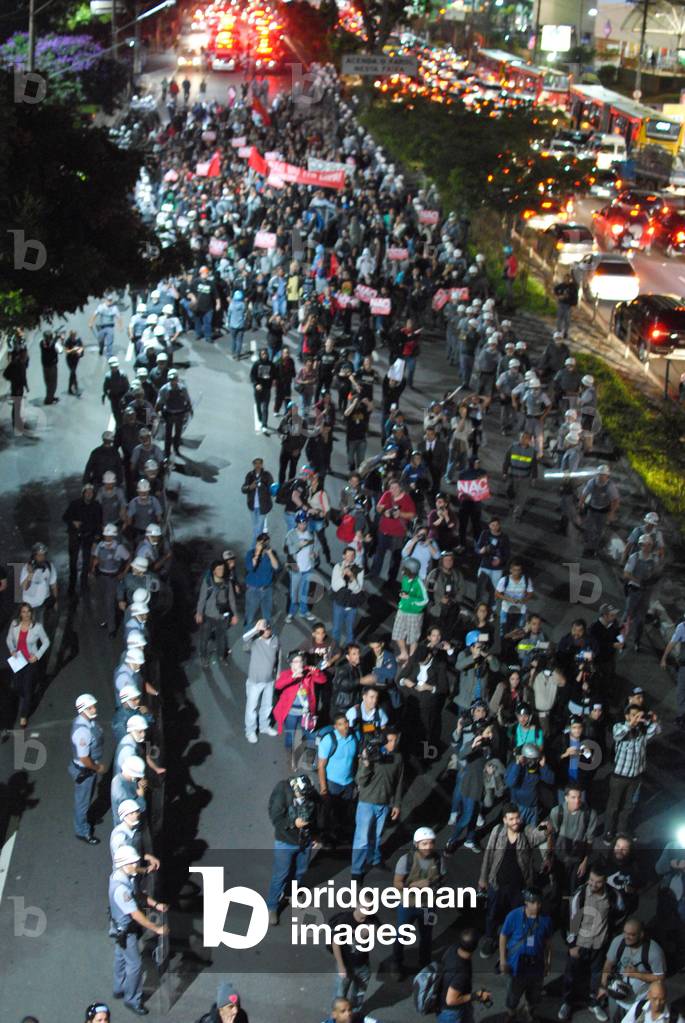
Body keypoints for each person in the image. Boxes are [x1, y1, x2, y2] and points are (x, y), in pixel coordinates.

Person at [478, 803, 549, 957]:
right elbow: (488, 855)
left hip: (519, 887)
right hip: (497, 884)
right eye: (511, 819)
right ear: (505, 820)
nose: (515, 822)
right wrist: (483, 878)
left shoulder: (527, 832)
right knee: (492, 913)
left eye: (517, 818)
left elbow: (540, 835)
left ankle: (513, 942)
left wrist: (546, 828)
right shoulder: (497, 832)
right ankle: (490, 939)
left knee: (516, 915)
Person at [108, 845, 168, 1015]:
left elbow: (138, 894)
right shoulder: (121, 890)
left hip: (119, 927)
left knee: (120, 956)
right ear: (124, 864)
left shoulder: (122, 877)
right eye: (133, 862)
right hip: (126, 931)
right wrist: (156, 929)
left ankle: (119, 987)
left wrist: (155, 904)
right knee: (134, 965)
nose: (136, 864)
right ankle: (132, 999)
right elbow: (136, 914)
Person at [560, 864, 623, 1022]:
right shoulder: (580, 895)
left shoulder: (613, 895)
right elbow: (572, 921)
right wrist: (572, 945)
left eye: (598, 882)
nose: (594, 884)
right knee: (571, 976)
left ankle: (594, 1003)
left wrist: (611, 933)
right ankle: (567, 1002)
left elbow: (622, 912)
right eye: (591, 880)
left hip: (600, 946)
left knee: (597, 977)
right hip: (580, 944)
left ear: (605, 881)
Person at [266, 773, 322, 925]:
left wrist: (316, 835)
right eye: (301, 795)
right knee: (281, 875)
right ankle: (272, 906)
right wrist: (293, 822)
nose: (304, 798)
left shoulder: (310, 793)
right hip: (285, 842)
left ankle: (291, 893)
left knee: (300, 871)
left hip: (305, 841)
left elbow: (317, 814)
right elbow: (275, 817)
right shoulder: (282, 790)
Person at [351, 727, 403, 881]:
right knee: (362, 839)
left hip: (385, 803)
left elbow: (399, 781)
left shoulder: (398, 758)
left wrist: (397, 804)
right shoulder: (372, 755)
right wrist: (366, 764)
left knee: (377, 836)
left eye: (394, 740)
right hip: (367, 802)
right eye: (389, 740)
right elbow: (360, 780)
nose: (392, 744)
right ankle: (356, 871)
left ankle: (374, 859)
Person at [603, 705, 660, 846]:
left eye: (639, 715)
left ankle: (621, 831)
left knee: (628, 807)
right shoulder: (620, 727)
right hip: (619, 777)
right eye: (634, 715)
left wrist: (653, 721)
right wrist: (631, 724)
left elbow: (656, 731)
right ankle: (608, 833)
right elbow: (617, 735)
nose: (637, 718)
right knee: (613, 806)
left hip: (635, 777)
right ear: (627, 716)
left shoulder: (642, 731)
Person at [499, 888, 553, 1023]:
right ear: (526, 903)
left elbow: (548, 943)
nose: (537, 906)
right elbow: (503, 935)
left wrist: (547, 963)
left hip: (537, 965)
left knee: (534, 995)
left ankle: (529, 1011)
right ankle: (511, 1013)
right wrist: (503, 959)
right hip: (516, 966)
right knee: (513, 996)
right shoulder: (514, 915)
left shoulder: (546, 919)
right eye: (534, 903)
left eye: (539, 903)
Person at [600, 918, 665, 1020]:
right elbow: (608, 965)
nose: (626, 937)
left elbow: (660, 977)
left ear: (641, 935)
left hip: (639, 1000)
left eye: (631, 934)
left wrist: (637, 974)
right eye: (625, 933)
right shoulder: (618, 942)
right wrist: (603, 985)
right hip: (617, 996)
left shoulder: (654, 951)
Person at [273, 653, 326, 762]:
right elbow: (278, 685)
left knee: (310, 734)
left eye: (301, 661)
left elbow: (322, 680)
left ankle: (310, 755)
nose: (299, 664)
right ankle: (290, 754)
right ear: (291, 664)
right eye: (296, 662)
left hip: (305, 713)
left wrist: (316, 672)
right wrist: (292, 677)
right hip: (291, 713)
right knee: (290, 735)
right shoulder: (286, 674)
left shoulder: (308, 672)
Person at [68, 693, 105, 844]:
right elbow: (84, 758)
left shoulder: (87, 722)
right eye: (90, 707)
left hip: (88, 768)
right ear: (83, 709)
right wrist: (97, 768)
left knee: (86, 798)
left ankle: (85, 821)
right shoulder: (82, 732)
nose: (94, 708)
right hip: (86, 769)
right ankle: (82, 831)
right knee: (82, 803)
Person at [6, 602, 50, 728]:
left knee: (27, 688)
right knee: (17, 686)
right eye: (23, 612)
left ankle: (23, 715)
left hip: (30, 661)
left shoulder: (37, 627)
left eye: (28, 611)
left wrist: (37, 655)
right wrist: (12, 649)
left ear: (32, 612)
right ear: (20, 613)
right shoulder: (15, 624)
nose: (26, 614)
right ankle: (26, 698)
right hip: (18, 660)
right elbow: (9, 639)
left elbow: (46, 641)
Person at [438, 928, 492, 1023]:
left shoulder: (453, 949)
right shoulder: (462, 973)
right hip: (452, 1013)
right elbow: (450, 1000)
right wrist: (477, 995)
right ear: (475, 947)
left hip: (448, 1001)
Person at [370, 479, 416, 581]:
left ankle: (391, 580)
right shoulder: (387, 494)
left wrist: (401, 514)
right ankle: (374, 573)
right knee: (379, 553)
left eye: (395, 488)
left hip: (398, 534)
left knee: (395, 558)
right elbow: (378, 507)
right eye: (391, 488)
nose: (393, 490)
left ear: (400, 488)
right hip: (383, 531)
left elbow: (412, 514)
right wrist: (384, 511)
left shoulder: (407, 498)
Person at [243, 618, 280, 743]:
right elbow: (245, 638)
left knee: (267, 706)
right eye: (264, 629)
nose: (266, 631)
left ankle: (264, 727)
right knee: (252, 708)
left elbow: (277, 657)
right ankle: (250, 731)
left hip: (269, 680)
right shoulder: (254, 642)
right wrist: (255, 629)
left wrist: (278, 674)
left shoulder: (275, 639)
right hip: (255, 682)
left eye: (268, 628)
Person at [196, 559, 237, 667]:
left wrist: (235, 615)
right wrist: (199, 613)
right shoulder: (208, 583)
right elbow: (202, 599)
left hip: (223, 616)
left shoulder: (227, 583)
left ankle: (221, 656)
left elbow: (231, 599)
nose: (221, 571)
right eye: (218, 569)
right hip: (208, 616)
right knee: (205, 638)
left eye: (222, 569)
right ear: (213, 571)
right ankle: (203, 656)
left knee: (221, 638)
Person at [63, 483, 103, 594]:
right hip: (75, 536)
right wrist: (73, 522)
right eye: (87, 492)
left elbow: (99, 523)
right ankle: (72, 586)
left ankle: (84, 585)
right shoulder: (75, 504)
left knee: (86, 562)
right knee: (73, 561)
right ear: (83, 493)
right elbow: (65, 517)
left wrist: (96, 539)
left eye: (91, 492)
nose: (89, 494)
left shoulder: (96, 506)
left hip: (88, 536)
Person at [579, 466, 620, 559]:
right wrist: (580, 505)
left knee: (599, 531)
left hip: (603, 511)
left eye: (603, 475)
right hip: (592, 508)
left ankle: (594, 549)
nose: (600, 477)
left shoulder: (610, 487)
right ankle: (588, 547)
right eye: (599, 475)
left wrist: (611, 513)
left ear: (607, 476)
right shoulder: (592, 483)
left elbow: (615, 500)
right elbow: (584, 494)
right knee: (588, 528)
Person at [331, 547, 365, 646]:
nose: (350, 557)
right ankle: (335, 648)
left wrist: (352, 578)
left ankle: (350, 649)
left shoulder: (359, 569)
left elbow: (358, 589)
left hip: (352, 604)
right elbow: (335, 587)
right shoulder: (337, 567)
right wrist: (342, 575)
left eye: (352, 555)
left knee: (350, 629)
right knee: (336, 628)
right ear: (343, 555)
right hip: (339, 603)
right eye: (348, 555)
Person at [244, 532, 279, 626]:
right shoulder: (250, 553)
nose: (264, 545)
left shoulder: (271, 553)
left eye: (266, 543)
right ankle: (247, 635)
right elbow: (250, 567)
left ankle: (266, 635)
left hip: (267, 589)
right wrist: (257, 553)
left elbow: (276, 567)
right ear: (257, 542)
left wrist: (270, 553)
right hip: (253, 590)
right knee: (250, 615)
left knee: (267, 615)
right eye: (262, 543)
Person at [156, 369, 192, 458]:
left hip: (180, 414)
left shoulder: (182, 388)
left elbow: (187, 401)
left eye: (174, 379)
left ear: (177, 378)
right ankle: (167, 452)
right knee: (168, 435)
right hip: (169, 414)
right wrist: (158, 413)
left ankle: (176, 449)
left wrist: (188, 411)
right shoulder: (164, 389)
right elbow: (159, 403)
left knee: (178, 434)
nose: (173, 381)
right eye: (171, 379)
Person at [19, 543, 58, 625]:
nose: (42, 557)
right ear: (34, 556)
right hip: (30, 605)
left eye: (43, 555)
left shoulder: (49, 566)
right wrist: (30, 574)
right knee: (30, 628)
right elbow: (25, 587)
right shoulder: (27, 568)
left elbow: (53, 585)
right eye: (39, 555)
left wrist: (55, 601)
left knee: (39, 626)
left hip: (43, 603)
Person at [660, 615, 685, 726]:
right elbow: (672, 643)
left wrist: (664, 659)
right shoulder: (682, 627)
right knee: (681, 691)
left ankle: (682, 716)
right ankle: (682, 715)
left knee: (681, 691)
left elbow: (672, 643)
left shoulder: (682, 627)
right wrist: (664, 658)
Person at [619, 981, 685, 1023]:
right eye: (654, 999)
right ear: (648, 995)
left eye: (662, 999)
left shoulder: (675, 1018)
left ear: (666, 998)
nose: (658, 1003)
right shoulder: (638, 1007)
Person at [40, 331, 59, 404]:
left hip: (47, 366)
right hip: (50, 366)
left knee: (49, 383)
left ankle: (50, 396)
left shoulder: (43, 342)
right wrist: (55, 339)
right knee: (52, 383)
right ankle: (48, 400)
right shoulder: (44, 344)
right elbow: (49, 347)